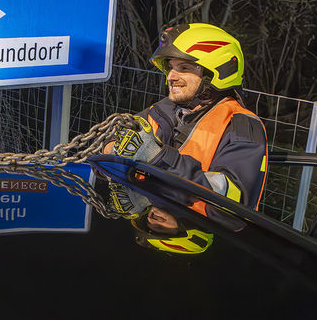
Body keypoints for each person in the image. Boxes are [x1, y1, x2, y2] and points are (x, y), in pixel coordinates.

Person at [109, 23, 268, 210]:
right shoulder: (162, 111)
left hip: (202, 225)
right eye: (170, 68)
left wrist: (159, 157)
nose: (171, 77)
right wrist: (111, 149)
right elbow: (106, 140)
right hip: (151, 217)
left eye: (184, 68)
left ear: (216, 73)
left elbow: (234, 199)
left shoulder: (241, 125)